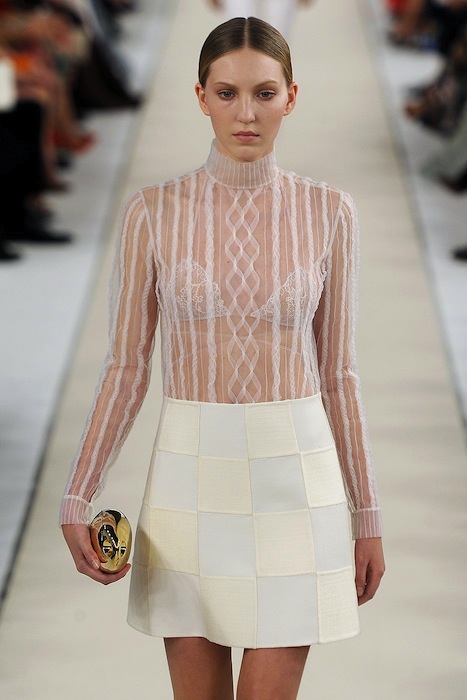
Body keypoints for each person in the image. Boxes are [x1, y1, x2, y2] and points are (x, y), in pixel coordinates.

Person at [61, 17, 385, 699]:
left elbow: (339, 376)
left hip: (295, 483)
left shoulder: (329, 212)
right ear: (200, 96)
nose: (246, 114)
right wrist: (77, 493)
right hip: (189, 479)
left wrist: (366, 516)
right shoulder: (152, 212)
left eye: (264, 93)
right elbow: (126, 367)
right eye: (227, 93)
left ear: (291, 97)